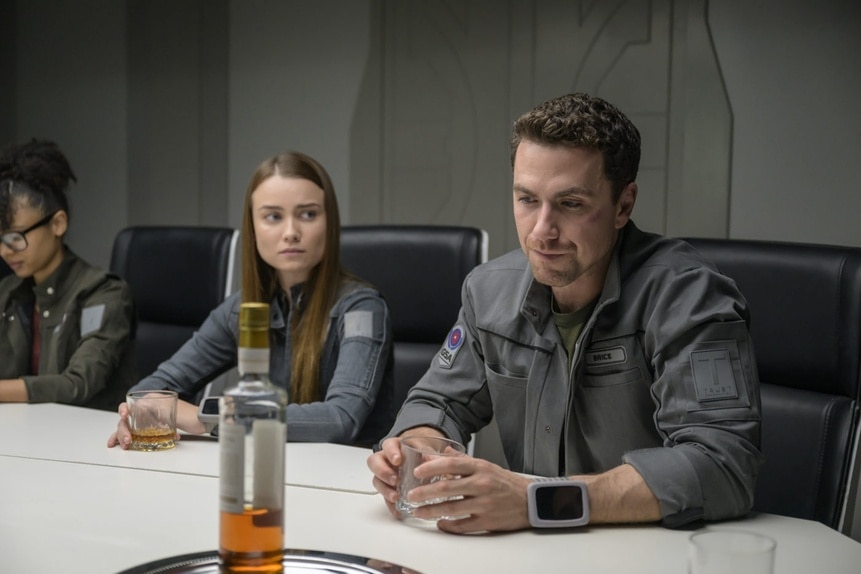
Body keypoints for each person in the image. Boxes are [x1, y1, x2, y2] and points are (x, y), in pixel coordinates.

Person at [367, 92, 762, 533]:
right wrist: (417, 454)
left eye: (570, 204)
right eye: (527, 200)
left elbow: (724, 465)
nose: (541, 231)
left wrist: (539, 502)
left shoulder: (688, 296)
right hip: (532, 553)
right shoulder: (488, 290)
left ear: (624, 205)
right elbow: (436, 401)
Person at [108, 151, 394, 447]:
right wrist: (136, 412)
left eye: (308, 214)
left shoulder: (362, 309)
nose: (291, 232)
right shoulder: (243, 307)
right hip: (268, 468)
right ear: (253, 227)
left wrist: (210, 417)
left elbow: (339, 419)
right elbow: (150, 391)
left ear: (329, 222)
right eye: (273, 216)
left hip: (344, 481)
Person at [0, 139, 136, 410]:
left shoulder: (103, 292)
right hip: (24, 437)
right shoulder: (9, 291)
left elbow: (78, 383)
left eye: (15, 237)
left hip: (88, 442)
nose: (5, 251)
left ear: (58, 224)